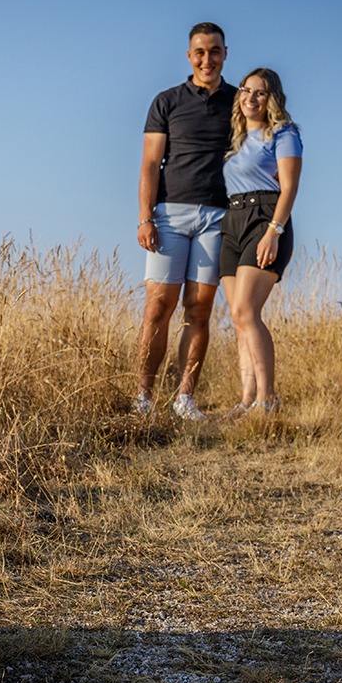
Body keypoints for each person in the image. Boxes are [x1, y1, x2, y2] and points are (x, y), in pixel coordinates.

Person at [135, 22, 236, 421]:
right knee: (158, 307)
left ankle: (184, 400)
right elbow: (149, 163)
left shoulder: (239, 102)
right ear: (189, 56)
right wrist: (145, 217)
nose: (207, 59)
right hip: (169, 216)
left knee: (198, 310)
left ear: (225, 53)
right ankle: (143, 398)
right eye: (200, 52)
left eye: (214, 51)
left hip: (218, 217)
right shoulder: (167, 102)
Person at [218, 68, 302, 420]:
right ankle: (247, 399)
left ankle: (267, 400)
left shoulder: (284, 133)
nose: (251, 98)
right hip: (232, 221)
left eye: (260, 92)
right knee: (239, 318)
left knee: (245, 311)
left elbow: (290, 187)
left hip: (265, 218)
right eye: (245, 90)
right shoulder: (236, 139)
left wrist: (274, 231)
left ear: (272, 99)